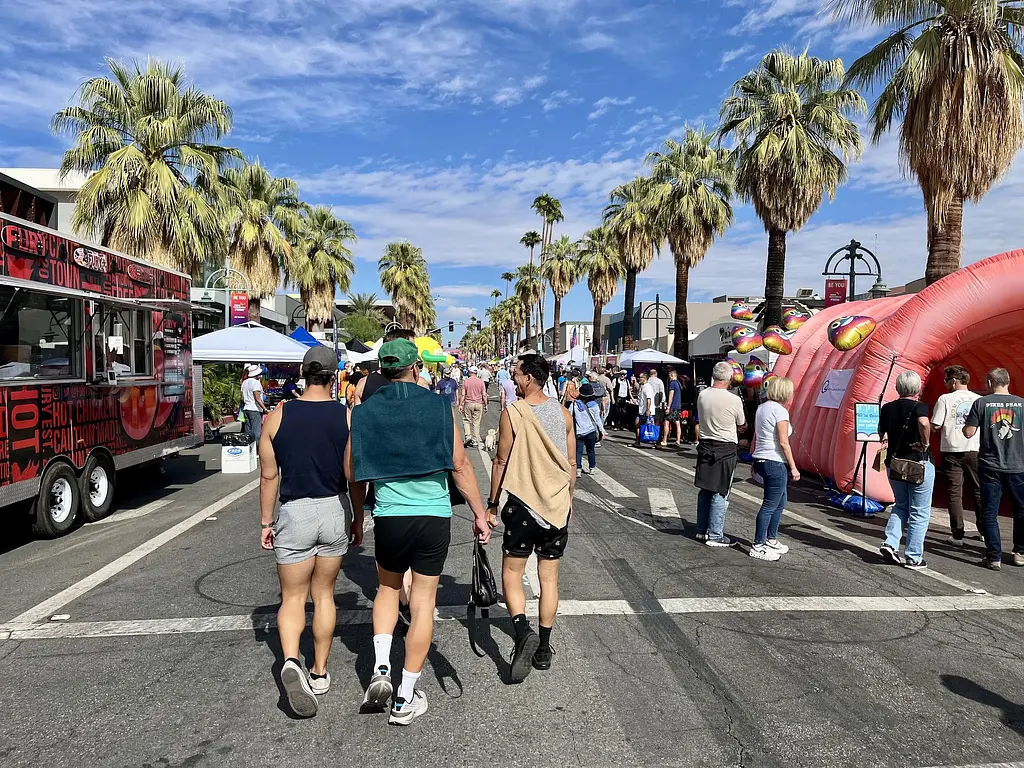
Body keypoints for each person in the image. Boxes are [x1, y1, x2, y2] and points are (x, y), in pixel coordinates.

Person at [347, 338, 490, 725]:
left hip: (390, 514)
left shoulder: (363, 412)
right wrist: (479, 513)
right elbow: (460, 466)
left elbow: (353, 473)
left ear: (381, 370)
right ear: (414, 368)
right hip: (432, 516)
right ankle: (405, 696)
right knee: (423, 601)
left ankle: (380, 668)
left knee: (388, 589)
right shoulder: (440, 407)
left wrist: (358, 517)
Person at [258, 346, 362, 718]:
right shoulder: (346, 416)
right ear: (335, 376)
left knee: (291, 598)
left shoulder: (276, 417)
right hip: (333, 507)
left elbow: (269, 475)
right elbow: (354, 475)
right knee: (324, 595)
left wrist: (266, 522)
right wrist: (358, 517)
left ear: (303, 373)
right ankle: (319, 671)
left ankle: (290, 660)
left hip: (294, 511)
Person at [488, 354, 574, 682]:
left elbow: (500, 460)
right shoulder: (564, 414)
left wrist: (492, 505)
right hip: (556, 507)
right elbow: (571, 463)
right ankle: (544, 650)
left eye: (516, 374)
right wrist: (569, 500)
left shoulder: (514, 412)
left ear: (527, 378)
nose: (513, 379)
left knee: (512, 572)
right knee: (549, 579)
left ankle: (523, 632)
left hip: (523, 505)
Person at [964, 367, 1024, 570]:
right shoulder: (1022, 404)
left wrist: (968, 424)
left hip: (990, 465)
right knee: (1021, 509)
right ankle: (1020, 553)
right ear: (1008, 382)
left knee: (990, 512)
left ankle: (994, 557)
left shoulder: (981, 403)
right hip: (1018, 464)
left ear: (990, 382)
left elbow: (969, 433)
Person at [878, 371, 934, 570]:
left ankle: (891, 543)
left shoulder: (887, 408)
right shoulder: (920, 407)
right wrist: (925, 443)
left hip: (895, 463)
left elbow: (880, 431)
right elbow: (923, 422)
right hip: (918, 463)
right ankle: (913, 557)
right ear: (917, 388)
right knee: (919, 512)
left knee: (900, 505)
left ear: (898, 387)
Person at [694, 361, 746, 547]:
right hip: (725, 447)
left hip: (706, 444)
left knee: (705, 488)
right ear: (730, 377)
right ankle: (716, 534)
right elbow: (741, 423)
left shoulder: (702, 395)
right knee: (720, 491)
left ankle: (701, 529)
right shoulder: (734, 399)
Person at [749, 376, 799, 561]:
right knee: (770, 504)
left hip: (761, 458)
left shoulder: (762, 408)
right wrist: (794, 467)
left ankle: (770, 538)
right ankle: (758, 544)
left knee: (779, 502)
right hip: (775, 460)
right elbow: (784, 442)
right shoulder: (781, 412)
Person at [931, 365, 981, 545]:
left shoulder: (945, 399)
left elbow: (935, 424)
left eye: (946, 381)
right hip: (975, 448)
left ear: (953, 381)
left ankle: (958, 534)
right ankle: (984, 530)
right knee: (978, 490)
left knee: (954, 492)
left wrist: (937, 433)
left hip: (952, 450)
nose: (944, 384)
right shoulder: (978, 399)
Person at [572, 383, 604, 477]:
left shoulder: (575, 404)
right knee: (591, 450)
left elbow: (570, 416)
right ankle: (592, 468)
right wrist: (602, 430)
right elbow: (597, 419)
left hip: (579, 431)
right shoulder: (594, 405)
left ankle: (578, 469)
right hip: (591, 431)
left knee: (578, 451)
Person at [458, 365, 488, 447]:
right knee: (476, 423)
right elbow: (484, 394)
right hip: (478, 403)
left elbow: (463, 394)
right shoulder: (481, 381)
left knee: (466, 420)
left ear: (470, 372)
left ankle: (468, 435)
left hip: (468, 403)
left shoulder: (466, 381)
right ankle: (475, 440)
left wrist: (460, 404)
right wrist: (485, 404)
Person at [241, 364, 268, 444]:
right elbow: (257, 398)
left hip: (246, 408)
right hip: (254, 409)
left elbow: (242, 398)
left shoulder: (244, 382)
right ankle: (256, 449)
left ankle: (248, 447)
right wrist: (265, 409)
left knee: (248, 431)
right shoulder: (256, 383)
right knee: (256, 431)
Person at [659, 369, 684, 449]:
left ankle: (665, 440)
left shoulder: (672, 383)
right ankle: (678, 440)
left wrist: (668, 407)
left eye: (669, 376)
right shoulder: (679, 383)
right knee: (677, 423)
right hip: (678, 406)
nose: (668, 378)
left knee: (666, 422)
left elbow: (671, 395)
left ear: (673, 375)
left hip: (673, 406)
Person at [632, 372, 654, 448]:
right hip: (641, 409)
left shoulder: (648, 387)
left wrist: (648, 410)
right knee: (637, 424)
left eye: (640, 378)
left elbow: (649, 399)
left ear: (644, 378)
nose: (639, 379)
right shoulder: (642, 386)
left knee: (651, 426)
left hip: (646, 410)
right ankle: (637, 441)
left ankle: (656, 441)